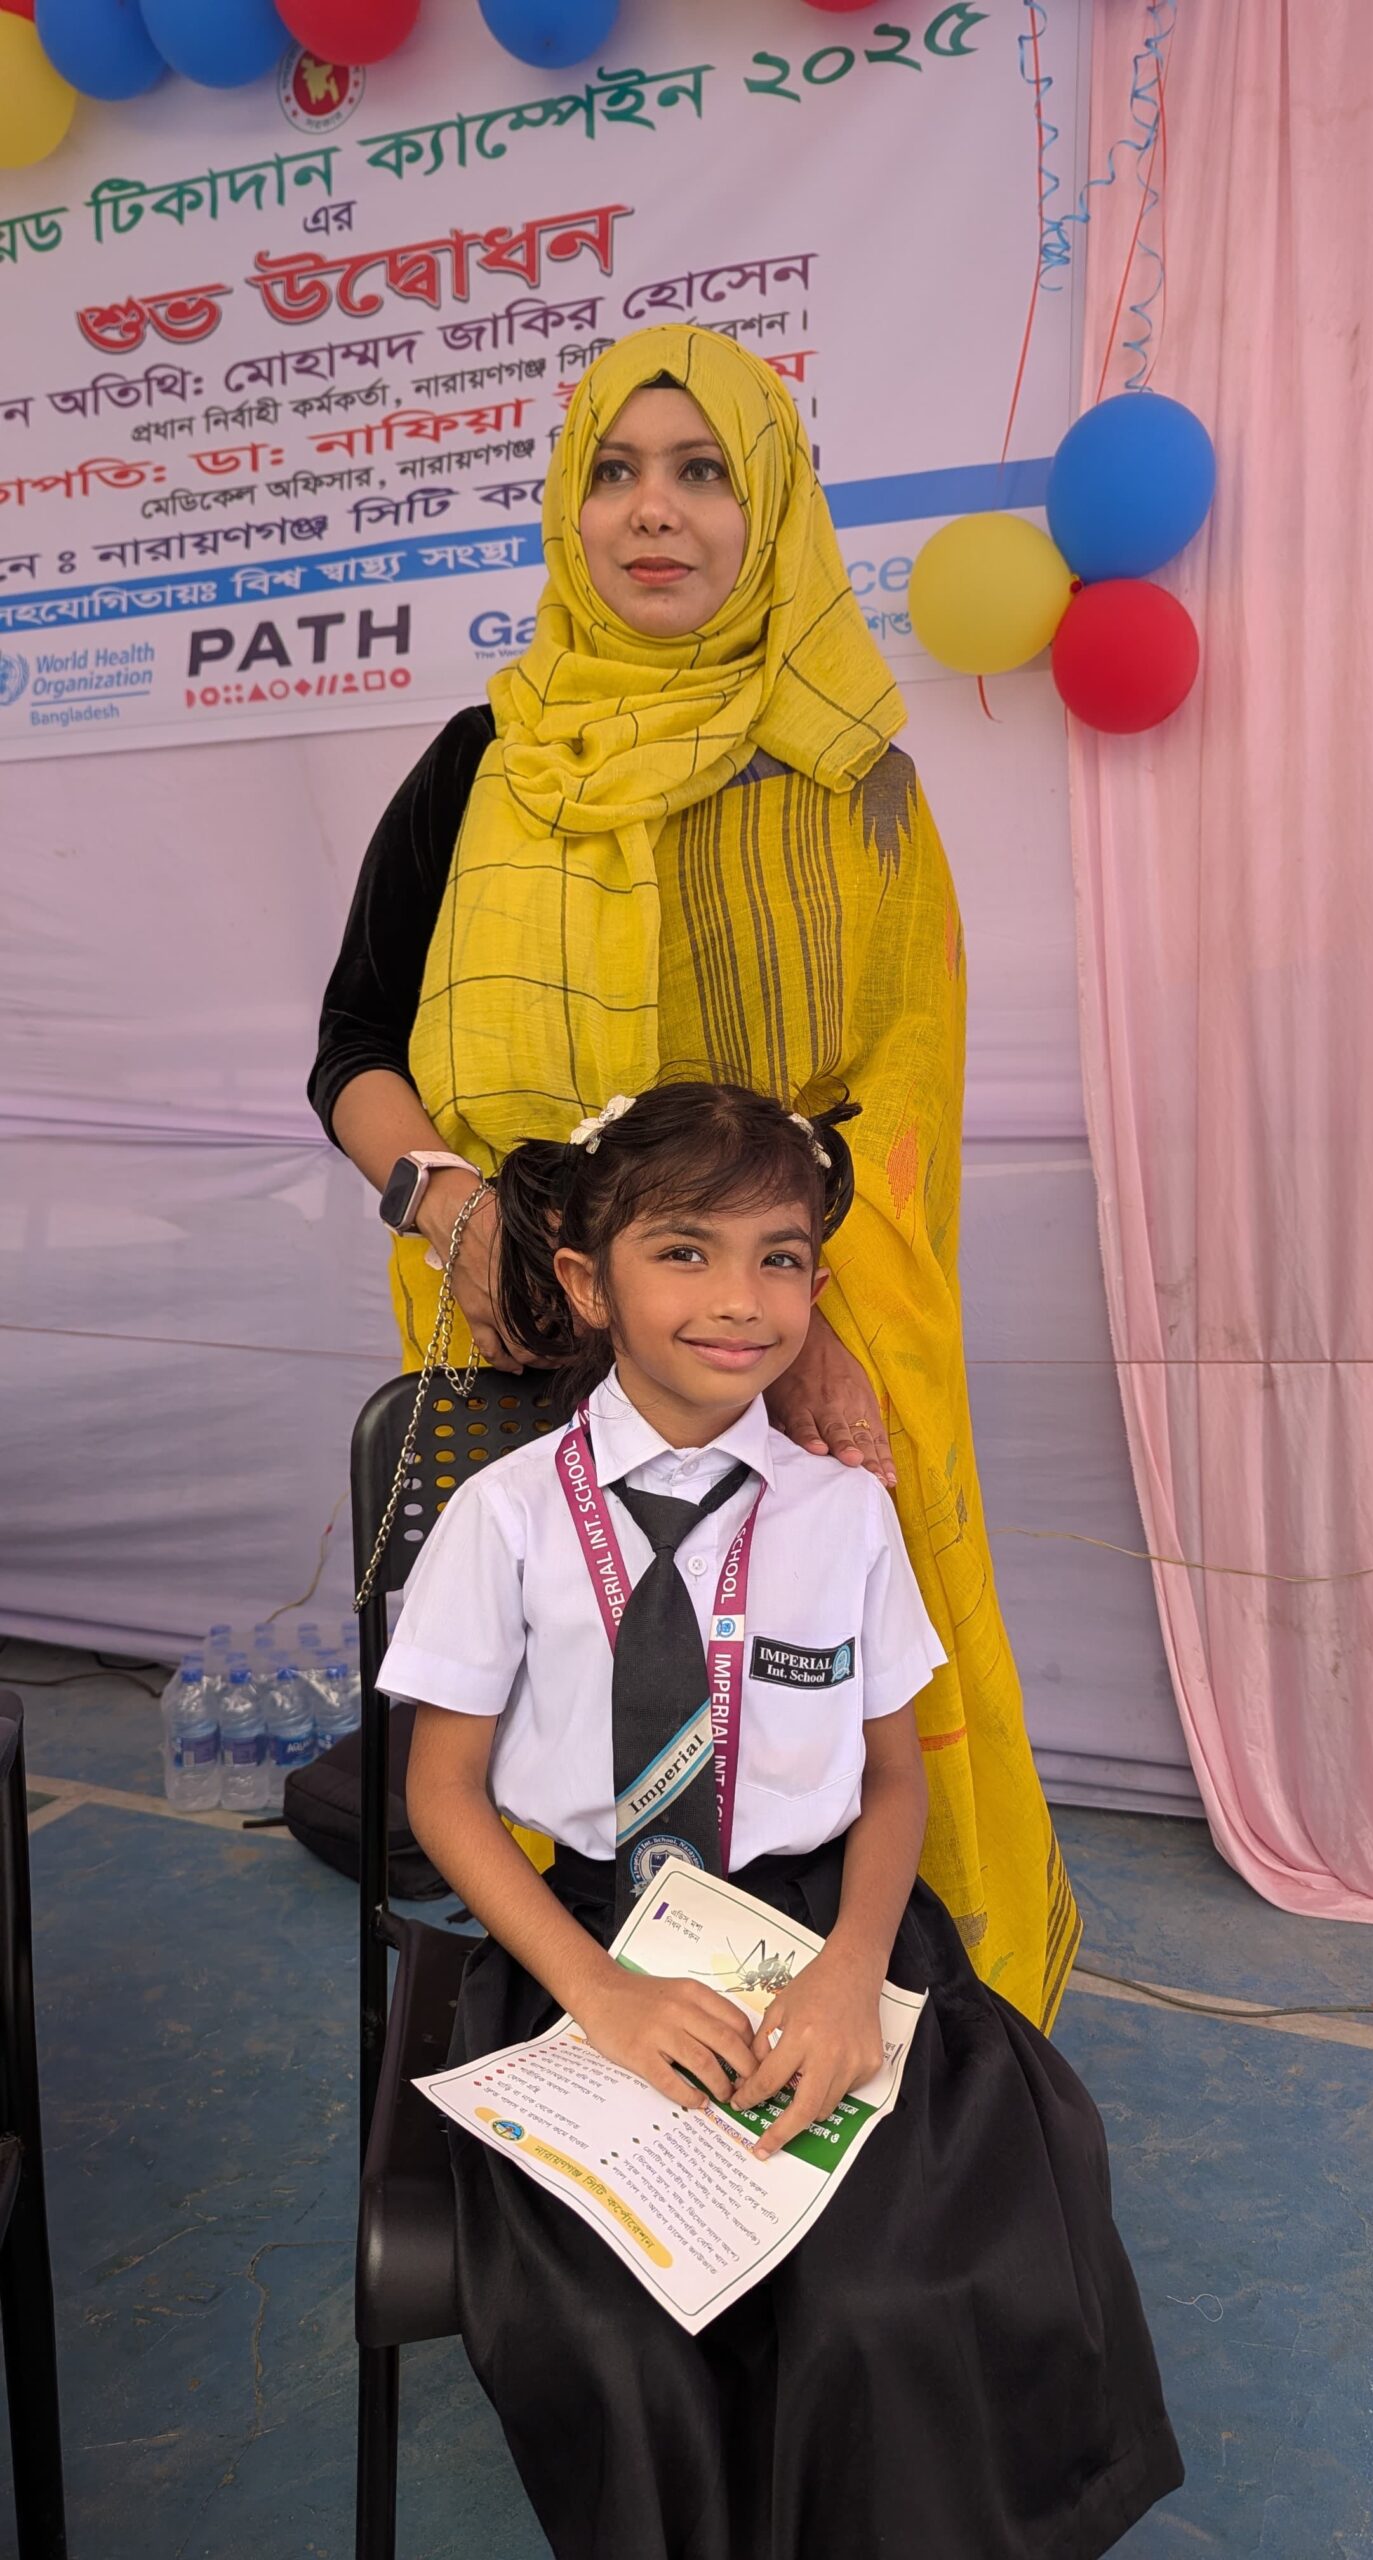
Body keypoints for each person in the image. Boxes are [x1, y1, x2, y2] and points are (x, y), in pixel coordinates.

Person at [309, 323, 1078, 2027]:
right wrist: (458, 1209)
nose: (653, 511)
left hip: (780, 1345)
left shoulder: (857, 792)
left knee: (822, 1724)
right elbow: (354, 1043)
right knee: (554, 1733)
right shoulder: (479, 765)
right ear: (568, 510)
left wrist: (802, 1325)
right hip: (524, 1333)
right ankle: (582, 2000)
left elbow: (899, 1098)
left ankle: (872, 2009)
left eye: (703, 471)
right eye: (615, 472)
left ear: (773, 508)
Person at [381, 1081, 1182, 2560]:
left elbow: (895, 1779)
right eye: (684, 1252)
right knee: (626, 2340)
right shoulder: (505, 1516)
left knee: (897, 2299)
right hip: (590, 1943)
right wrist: (601, 1993)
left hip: (829, 1931)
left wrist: (849, 1974)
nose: (740, 1300)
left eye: (781, 1257)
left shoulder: (845, 1513)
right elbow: (442, 1790)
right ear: (587, 1283)